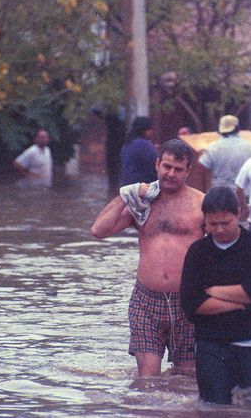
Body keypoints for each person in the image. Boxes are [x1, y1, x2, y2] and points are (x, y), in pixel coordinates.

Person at [91, 139, 204, 377]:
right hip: (146, 301)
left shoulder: (201, 204)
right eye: (166, 166)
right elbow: (99, 231)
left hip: (187, 302)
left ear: (188, 171)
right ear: (157, 165)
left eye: (178, 169)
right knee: (147, 379)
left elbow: (222, 246)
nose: (171, 173)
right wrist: (126, 194)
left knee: (187, 380)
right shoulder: (141, 202)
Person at [180, 186, 251, 405]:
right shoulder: (197, 252)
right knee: (212, 408)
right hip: (212, 342)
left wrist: (213, 291)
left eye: (225, 223)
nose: (218, 230)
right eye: (212, 224)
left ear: (238, 214)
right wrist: (242, 303)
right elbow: (192, 304)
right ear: (204, 220)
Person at [198, 115, 251, 191]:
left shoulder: (213, 148)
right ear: (238, 128)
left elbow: (202, 167)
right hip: (244, 193)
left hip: (220, 193)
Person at [120, 116, 158, 186]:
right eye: (150, 129)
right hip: (141, 188)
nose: (152, 132)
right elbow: (155, 166)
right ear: (144, 130)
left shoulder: (127, 144)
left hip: (126, 186)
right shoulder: (145, 145)